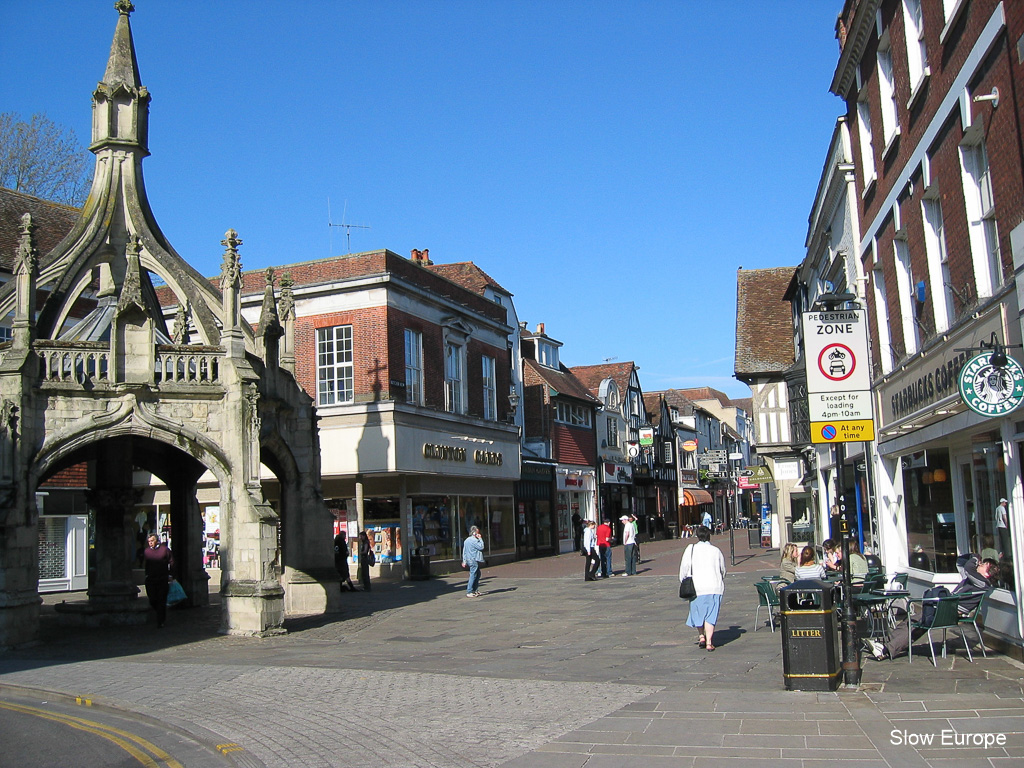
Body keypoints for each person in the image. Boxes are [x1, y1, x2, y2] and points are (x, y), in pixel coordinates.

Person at [865, 557, 999, 660]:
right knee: (912, 620)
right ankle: (886, 643)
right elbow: (961, 562)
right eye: (979, 564)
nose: (978, 566)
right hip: (945, 609)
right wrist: (971, 558)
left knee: (917, 623)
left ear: (987, 573)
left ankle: (886, 649)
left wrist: (975, 557)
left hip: (948, 612)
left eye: (982, 565)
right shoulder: (975, 579)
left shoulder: (982, 582)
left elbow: (968, 567)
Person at [679, 525, 726, 651]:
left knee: (698, 612)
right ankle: (709, 643)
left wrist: (682, 579)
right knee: (711, 614)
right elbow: (723, 569)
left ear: (697, 536)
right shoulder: (716, 550)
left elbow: (684, 567)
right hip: (714, 587)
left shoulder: (691, 549)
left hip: (697, 587)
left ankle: (701, 636)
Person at [143, 533, 174, 628]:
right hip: (151, 579)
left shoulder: (164, 550)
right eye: (149, 541)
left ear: (156, 541)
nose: (150, 543)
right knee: (152, 599)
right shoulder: (147, 551)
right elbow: (147, 564)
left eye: (152, 541)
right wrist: (146, 575)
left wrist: (170, 574)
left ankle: (161, 621)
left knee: (161, 600)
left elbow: (171, 561)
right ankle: (158, 612)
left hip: (162, 579)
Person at [462, 525, 485, 597]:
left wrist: (464, 561)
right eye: (477, 533)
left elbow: (464, 551)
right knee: (473, 575)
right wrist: (480, 538)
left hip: (469, 559)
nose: (478, 534)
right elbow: (481, 547)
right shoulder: (474, 540)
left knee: (477, 574)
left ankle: (475, 590)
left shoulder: (466, 540)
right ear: (474, 533)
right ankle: (469, 591)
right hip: (473, 559)